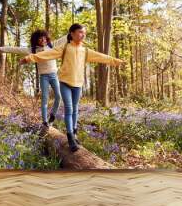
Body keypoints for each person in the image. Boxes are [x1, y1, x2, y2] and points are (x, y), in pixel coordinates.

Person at [20, 24, 125, 152]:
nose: (83, 35)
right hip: (64, 82)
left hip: (78, 84)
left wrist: (117, 61)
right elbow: (47, 54)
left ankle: (74, 133)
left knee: (75, 109)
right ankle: (70, 138)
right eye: (80, 32)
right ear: (72, 33)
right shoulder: (64, 48)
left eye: (84, 33)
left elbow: (102, 57)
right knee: (69, 108)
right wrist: (29, 58)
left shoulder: (85, 51)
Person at [0, 30, 67, 130]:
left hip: (54, 75)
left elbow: (64, 38)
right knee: (45, 98)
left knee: (59, 96)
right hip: (43, 77)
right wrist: (1, 49)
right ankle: (45, 121)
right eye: (40, 38)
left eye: (44, 37)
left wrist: (74, 33)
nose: (43, 40)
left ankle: (52, 115)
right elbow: (17, 49)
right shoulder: (33, 50)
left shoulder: (51, 46)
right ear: (36, 40)